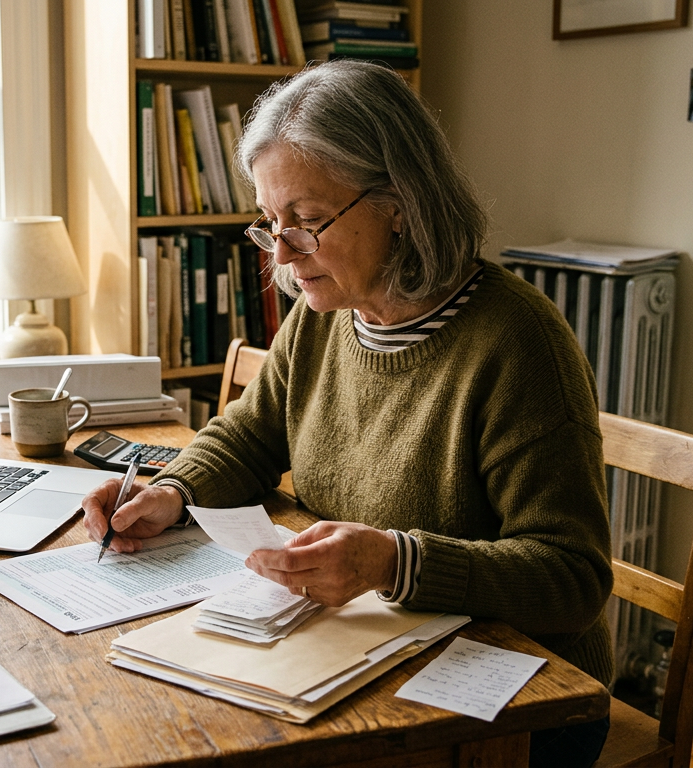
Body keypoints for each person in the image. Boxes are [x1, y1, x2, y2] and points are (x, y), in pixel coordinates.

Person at [81, 60, 613, 768]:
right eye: (271, 225)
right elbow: (252, 430)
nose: (285, 254)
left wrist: (394, 560)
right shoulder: (326, 313)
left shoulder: (518, 345)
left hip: (518, 702)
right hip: (364, 645)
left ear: (399, 202)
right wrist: (172, 491)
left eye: (305, 221)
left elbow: (572, 577)